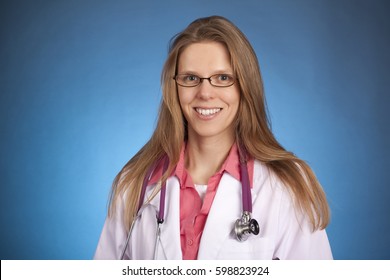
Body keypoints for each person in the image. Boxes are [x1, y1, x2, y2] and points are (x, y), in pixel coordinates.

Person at [94, 15, 332, 260]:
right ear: (173, 87)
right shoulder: (135, 183)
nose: (205, 93)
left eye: (223, 78)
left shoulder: (287, 186)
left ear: (245, 87)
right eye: (190, 78)